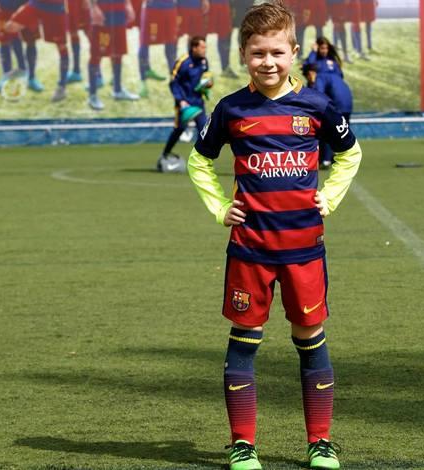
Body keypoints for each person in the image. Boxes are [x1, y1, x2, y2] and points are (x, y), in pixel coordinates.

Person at [186, 2, 362, 469]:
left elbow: (350, 153)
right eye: (258, 53)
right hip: (251, 249)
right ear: (244, 54)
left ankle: (320, 442)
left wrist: (330, 196)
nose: (268, 62)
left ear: (293, 53)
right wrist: (220, 207)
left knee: (310, 335)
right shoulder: (231, 109)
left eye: (277, 52)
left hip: (304, 249)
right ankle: (243, 444)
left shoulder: (316, 106)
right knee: (245, 337)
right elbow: (199, 160)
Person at [157, 35, 209, 172]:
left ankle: (200, 162)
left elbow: (205, 77)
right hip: (184, 103)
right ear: (194, 48)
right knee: (179, 129)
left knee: (204, 131)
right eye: (202, 47)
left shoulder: (204, 61)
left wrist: (207, 85)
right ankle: (165, 154)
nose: (205, 50)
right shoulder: (183, 62)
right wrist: (180, 100)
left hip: (198, 102)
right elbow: (173, 82)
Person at [4, 0, 70, 101]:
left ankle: (62, 86)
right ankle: (23, 69)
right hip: (36, 4)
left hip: (56, 7)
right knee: (10, 26)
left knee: (61, 46)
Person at [84, 0, 140, 110]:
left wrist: (128, 4)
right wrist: (94, 7)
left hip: (119, 10)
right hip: (102, 9)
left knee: (118, 52)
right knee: (97, 54)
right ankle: (92, 95)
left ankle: (117, 90)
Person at [303, 62, 352, 168]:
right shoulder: (331, 75)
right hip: (347, 105)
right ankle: (345, 158)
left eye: (307, 76)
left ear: (310, 73)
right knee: (342, 133)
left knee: (325, 131)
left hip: (337, 105)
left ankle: (326, 160)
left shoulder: (319, 77)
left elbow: (318, 95)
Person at [137, 0, 178, 97]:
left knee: (171, 43)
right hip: (151, 7)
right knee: (144, 42)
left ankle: (175, 80)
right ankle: (143, 81)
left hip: (170, 7)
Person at [0, 0, 29, 90]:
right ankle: (6, 75)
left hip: (19, 7)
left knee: (17, 40)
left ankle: (23, 72)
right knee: (4, 41)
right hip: (3, 7)